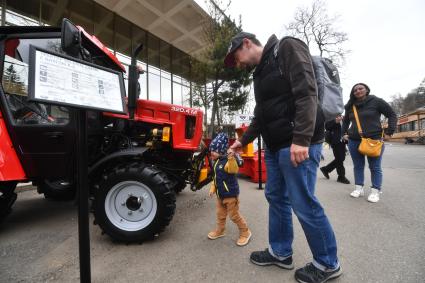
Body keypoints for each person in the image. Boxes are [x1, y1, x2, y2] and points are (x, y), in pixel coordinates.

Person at [225, 32, 341, 283]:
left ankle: (328, 263)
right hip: (275, 145)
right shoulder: (260, 72)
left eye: (236, 57)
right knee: (276, 197)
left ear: (246, 44)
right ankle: (280, 252)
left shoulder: (287, 47)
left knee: (303, 202)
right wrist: (242, 141)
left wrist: (301, 139)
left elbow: (307, 93)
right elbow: (261, 116)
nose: (237, 64)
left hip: (298, 144)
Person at [342, 83, 397, 203]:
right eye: (355, 90)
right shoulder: (350, 105)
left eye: (361, 88)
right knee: (358, 166)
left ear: (366, 90)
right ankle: (359, 188)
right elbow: (345, 121)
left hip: (374, 140)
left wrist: (389, 132)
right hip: (354, 140)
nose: (358, 91)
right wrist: (344, 133)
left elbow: (392, 115)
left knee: (375, 166)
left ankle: (375, 191)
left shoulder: (376, 101)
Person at [207, 132, 252, 247]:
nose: (212, 152)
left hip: (230, 195)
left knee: (234, 215)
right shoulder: (216, 162)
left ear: (221, 150)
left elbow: (233, 170)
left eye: (214, 150)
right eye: (211, 149)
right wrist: (213, 188)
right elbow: (216, 178)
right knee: (220, 214)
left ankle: (245, 232)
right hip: (220, 195)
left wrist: (231, 157)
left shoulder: (228, 160)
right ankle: (220, 230)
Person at [320, 115, 350, 184]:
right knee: (339, 159)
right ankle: (341, 176)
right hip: (335, 141)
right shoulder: (332, 116)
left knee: (341, 158)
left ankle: (326, 169)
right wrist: (335, 121)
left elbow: (345, 129)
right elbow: (327, 127)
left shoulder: (344, 118)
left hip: (343, 141)